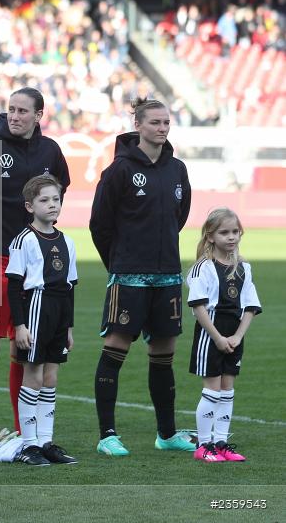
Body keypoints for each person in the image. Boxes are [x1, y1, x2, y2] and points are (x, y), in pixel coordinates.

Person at [0, 87, 70, 460]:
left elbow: (59, 190)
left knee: (26, 349)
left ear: (39, 115)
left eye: (23, 111)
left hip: (33, 265)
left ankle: (27, 437)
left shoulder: (50, 151)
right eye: (11, 110)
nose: (15, 116)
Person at [90, 97, 193, 457]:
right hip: (128, 276)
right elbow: (99, 224)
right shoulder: (118, 170)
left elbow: (179, 218)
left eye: (166, 122)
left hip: (167, 276)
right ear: (138, 126)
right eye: (155, 123)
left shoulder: (177, 169)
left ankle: (166, 434)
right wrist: (119, 263)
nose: (162, 128)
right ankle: (107, 435)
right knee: (116, 349)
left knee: (164, 352)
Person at [6, 175, 78, 466]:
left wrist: (70, 327)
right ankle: (29, 444)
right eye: (44, 200)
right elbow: (13, 286)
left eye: (56, 199)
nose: (52, 205)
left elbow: (71, 286)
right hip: (36, 306)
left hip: (59, 310)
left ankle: (46, 442)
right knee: (33, 375)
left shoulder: (68, 241)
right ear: (29, 205)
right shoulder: (23, 240)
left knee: (50, 376)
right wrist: (19, 325)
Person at [187, 208, 261, 463]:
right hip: (212, 334)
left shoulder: (244, 268)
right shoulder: (203, 268)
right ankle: (204, 445)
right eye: (224, 232)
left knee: (228, 390)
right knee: (213, 389)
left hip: (235, 335)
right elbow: (198, 307)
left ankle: (221, 442)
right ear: (210, 236)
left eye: (235, 232)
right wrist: (218, 337)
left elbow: (250, 307)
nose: (231, 237)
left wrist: (238, 336)